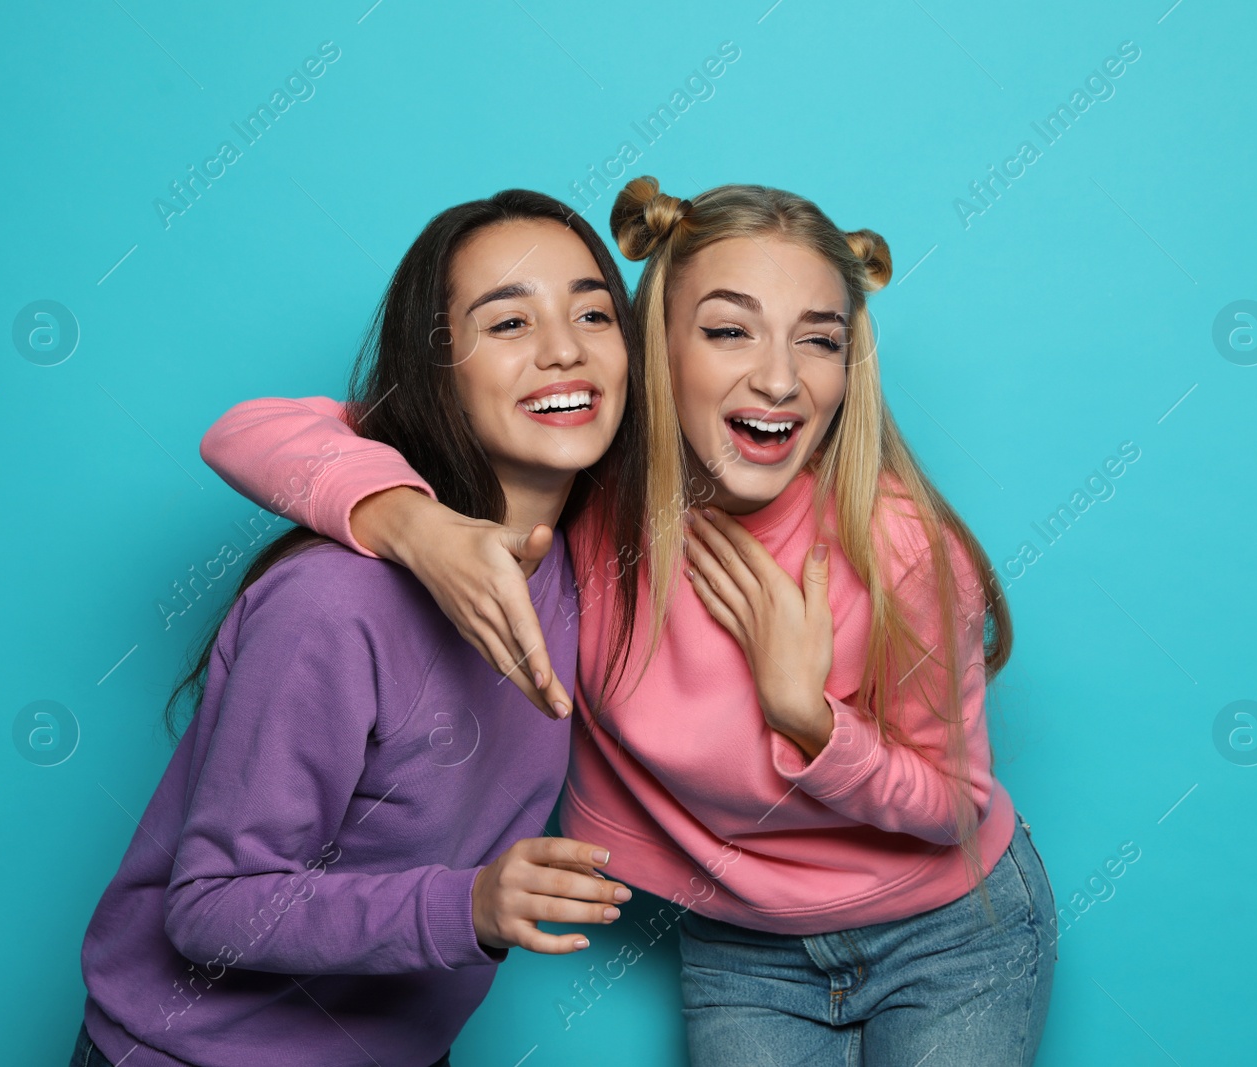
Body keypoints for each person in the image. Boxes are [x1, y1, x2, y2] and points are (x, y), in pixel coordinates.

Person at [197, 177, 1057, 1065]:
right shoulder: (590, 492)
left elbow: (955, 800)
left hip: (949, 931)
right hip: (745, 941)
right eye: (728, 330)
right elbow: (250, 432)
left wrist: (809, 717)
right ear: (657, 350)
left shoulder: (900, 547)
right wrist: (412, 522)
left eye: (820, 341)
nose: (777, 376)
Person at [72, 189, 640, 1067]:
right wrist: (473, 906)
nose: (564, 349)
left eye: (594, 313)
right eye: (508, 324)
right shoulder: (332, 601)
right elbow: (212, 906)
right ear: (438, 370)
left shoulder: (591, 561)